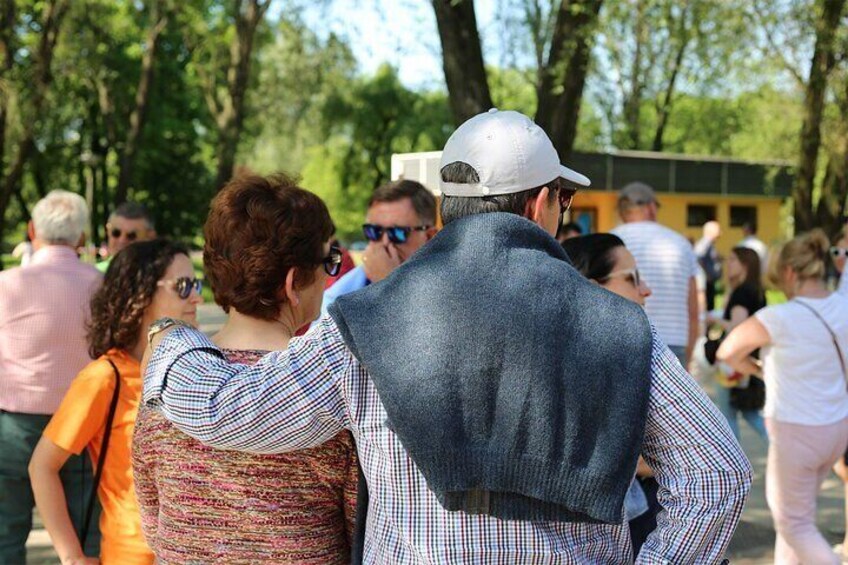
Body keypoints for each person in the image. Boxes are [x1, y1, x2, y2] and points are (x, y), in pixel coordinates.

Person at [143, 109, 751, 563]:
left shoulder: (367, 321)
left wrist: (172, 339)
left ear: (445, 209)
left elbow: (233, 412)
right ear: (542, 203)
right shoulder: (617, 323)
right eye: (564, 198)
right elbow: (719, 476)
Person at [132, 174, 358, 563]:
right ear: (292, 283)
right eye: (328, 261)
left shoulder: (165, 383)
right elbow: (361, 528)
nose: (329, 275)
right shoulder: (329, 395)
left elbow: (152, 519)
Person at [28, 239, 199, 564]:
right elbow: (42, 466)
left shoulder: (194, 369)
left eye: (197, 284)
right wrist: (72, 556)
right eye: (183, 285)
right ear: (142, 294)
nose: (196, 296)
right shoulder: (105, 377)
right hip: (132, 556)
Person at [718, 229, 848, 565]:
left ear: (790, 272)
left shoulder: (779, 317)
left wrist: (756, 368)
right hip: (836, 429)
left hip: (797, 433)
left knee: (794, 524)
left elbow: (727, 351)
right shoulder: (843, 308)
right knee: (799, 515)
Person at [0, 190, 103, 563]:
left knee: (5, 533)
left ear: (31, 230)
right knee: (85, 537)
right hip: (81, 426)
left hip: (13, 426)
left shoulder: (5, 285)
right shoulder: (102, 288)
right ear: (81, 238)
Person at [560, 233, 659, 557]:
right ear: (593, 289)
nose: (645, 290)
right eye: (631, 279)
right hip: (620, 529)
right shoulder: (609, 363)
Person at [612, 182, 700, 367]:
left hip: (623, 341)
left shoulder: (610, 242)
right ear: (651, 207)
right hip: (674, 343)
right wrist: (688, 358)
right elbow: (693, 311)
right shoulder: (681, 244)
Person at [321, 179, 436, 313]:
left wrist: (388, 285)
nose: (384, 242)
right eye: (374, 232)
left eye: (397, 233)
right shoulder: (338, 300)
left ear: (430, 237)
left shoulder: (453, 285)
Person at [705, 247, 768, 444]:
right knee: (748, 411)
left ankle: (735, 466)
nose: (727, 264)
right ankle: (780, 445)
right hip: (749, 357)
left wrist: (714, 320)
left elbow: (737, 327)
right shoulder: (757, 291)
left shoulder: (741, 293)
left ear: (745, 265)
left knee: (727, 416)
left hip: (732, 360)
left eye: (732, 260)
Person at [97, 202, 156, 272]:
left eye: (131, 235)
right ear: (108, 231)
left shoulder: (162, 275)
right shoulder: (94, 274)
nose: (122, 240)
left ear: (150, 237)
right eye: (116, 233)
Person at [695, 220, 722, 311]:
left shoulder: (709, 244)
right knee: (706, 309)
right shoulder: (705, 244)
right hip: (706, 283)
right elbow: (698, 259)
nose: (721, 233)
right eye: (718, 229)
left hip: (709, 282)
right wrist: (707, 275)